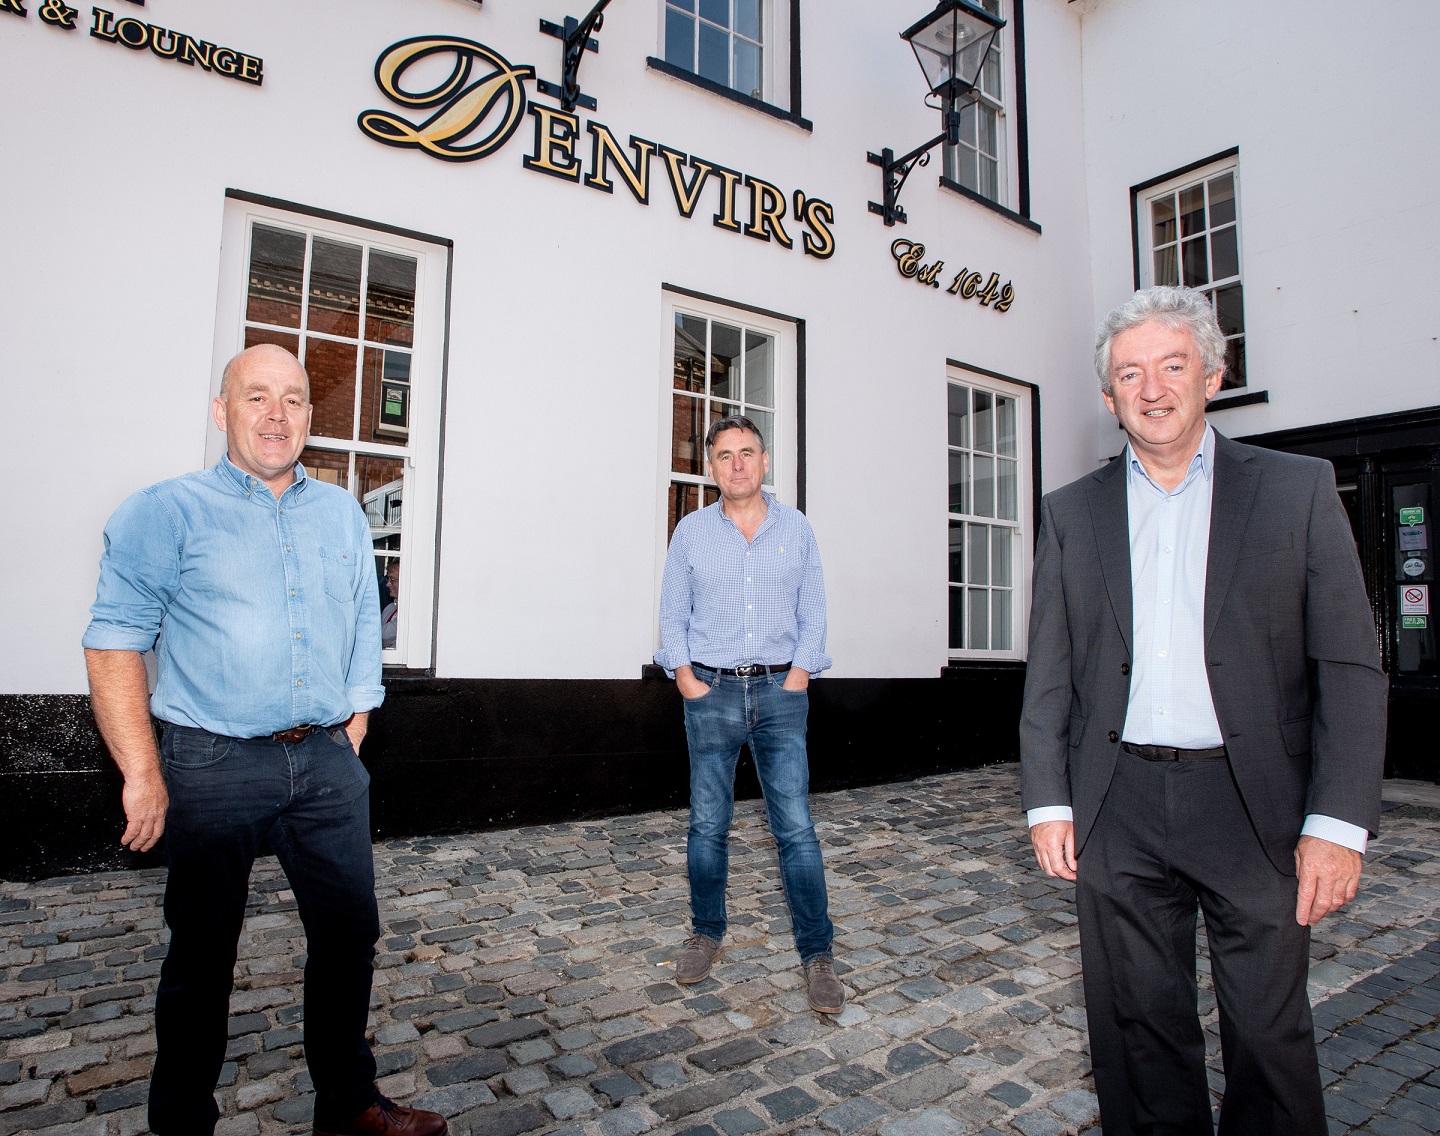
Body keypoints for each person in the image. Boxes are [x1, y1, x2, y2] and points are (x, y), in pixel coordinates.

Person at [1019, 286, 1387, 1134]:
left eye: (1172, 364)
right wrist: (1048, 802)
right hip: (1120, 806)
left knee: (1267, 1035)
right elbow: (1052, 673)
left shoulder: (1297, 491)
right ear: (1109, 397)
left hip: (1255, 805)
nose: (1153, 388)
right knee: (1139, 1032)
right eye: (1130, 374)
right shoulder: (1072, 513)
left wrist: (1337, 824)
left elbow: (1351, 668)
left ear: (1213, 374)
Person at [82, 344, 445, 1136]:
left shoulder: (342, 511)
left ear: (311, 417)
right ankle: (182, 1121)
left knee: (349, 937)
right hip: (211, 763)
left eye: (293, 400)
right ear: (222, 411)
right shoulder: (165, 511)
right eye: (256, 398)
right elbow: (113, 644)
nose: (277, 416)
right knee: (203, 955)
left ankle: (349, 1105)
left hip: (325, 759)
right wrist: (142, 773)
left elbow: (359, 618)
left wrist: (357, 715)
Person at [655, 415, 845, 1014]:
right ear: (710, 467)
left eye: (747, 453)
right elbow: (671, 615)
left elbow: (814, 610)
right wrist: (686, 679)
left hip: (779, 694)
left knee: (796, 829)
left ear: (764, 462)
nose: (736, 464)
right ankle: (706, 932)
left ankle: (817, 953)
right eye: (724, 455)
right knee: (708, 824)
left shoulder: (798, 529)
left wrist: (799, 676)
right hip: (710, 693)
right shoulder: (690, 533)